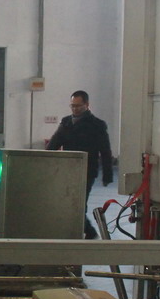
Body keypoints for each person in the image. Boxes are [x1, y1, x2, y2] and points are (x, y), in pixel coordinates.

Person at [46, 90, 113, 239]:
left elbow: (105, 151)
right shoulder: (66, 122)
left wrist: (107, 175)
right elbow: (54, 143)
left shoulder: (97, 125)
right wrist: (44, 159)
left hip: (87, 171)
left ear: (87, 105)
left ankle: (90, 232)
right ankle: (83, 231)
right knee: (66, 203)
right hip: (67, 170)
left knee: (79, 204)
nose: (75, 109)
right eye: (72, 106)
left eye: (78, 106)